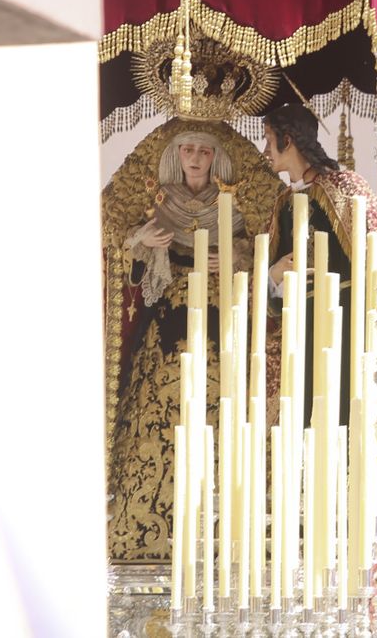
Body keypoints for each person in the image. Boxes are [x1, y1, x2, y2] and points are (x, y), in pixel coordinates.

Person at [107, 127, 250, 562]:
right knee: (157, 408)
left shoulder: (232, 206)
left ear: (215, 159)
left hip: (217, 317)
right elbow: (115, 237)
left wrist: (236, 258)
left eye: (204, 151)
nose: (195, 158)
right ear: (175, 154)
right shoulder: (158, 199)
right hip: (168, 322)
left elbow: (258, 247)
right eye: (187, 150)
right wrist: (141, 242)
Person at [262, 102, 377, 423]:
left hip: (346, 333)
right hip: (301, 338)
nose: (265, 150)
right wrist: (274, 274)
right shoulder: (283, 205)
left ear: (288, 140)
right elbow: (267, 301)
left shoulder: (347, 188)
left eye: (269, 139)